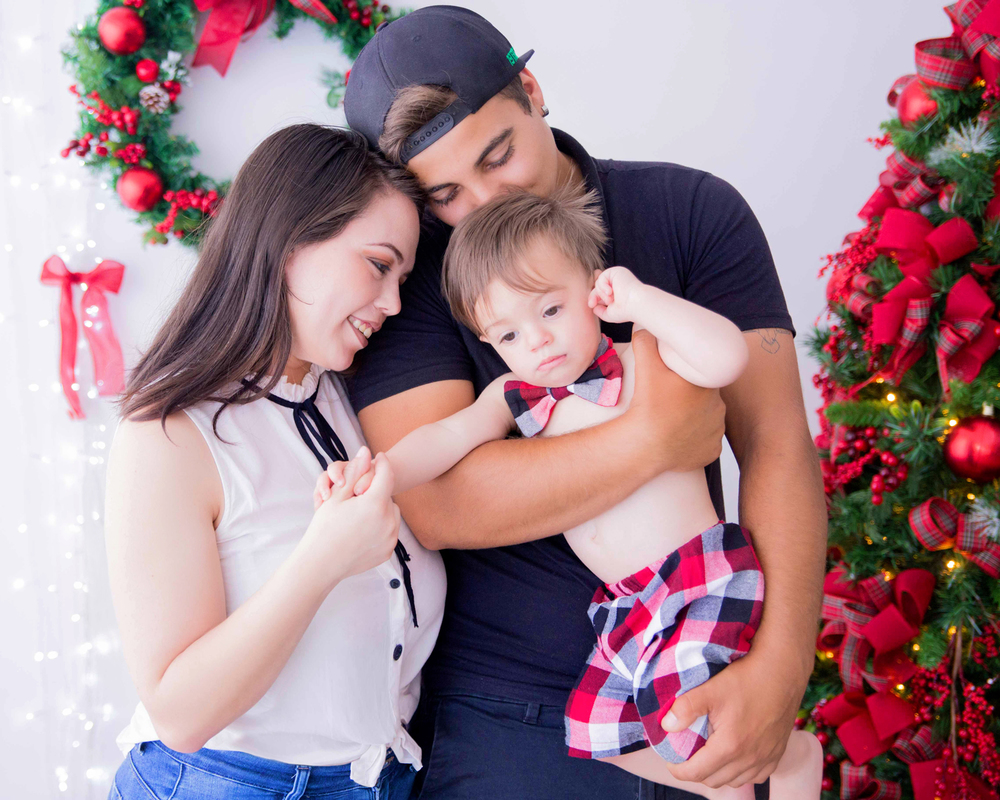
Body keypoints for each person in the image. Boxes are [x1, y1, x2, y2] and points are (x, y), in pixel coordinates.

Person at [341, 7, 827, 799]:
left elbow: (776, 445)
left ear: (531, 89)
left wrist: (781, 665)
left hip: (710, 662)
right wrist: (654, 436)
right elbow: (435, 502)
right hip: (503, 716)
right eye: (445, 195)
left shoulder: (692, 212)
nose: (482, 202)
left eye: (498, 155)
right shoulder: (420, 279)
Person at [103, 124, 446, 800]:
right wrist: (321, 560)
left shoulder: (342, 394)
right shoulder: (169, 436)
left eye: (402, 277)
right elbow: (181, 712)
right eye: (378, 265)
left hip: (381, 778)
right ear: (289, 240)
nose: (394, 302)